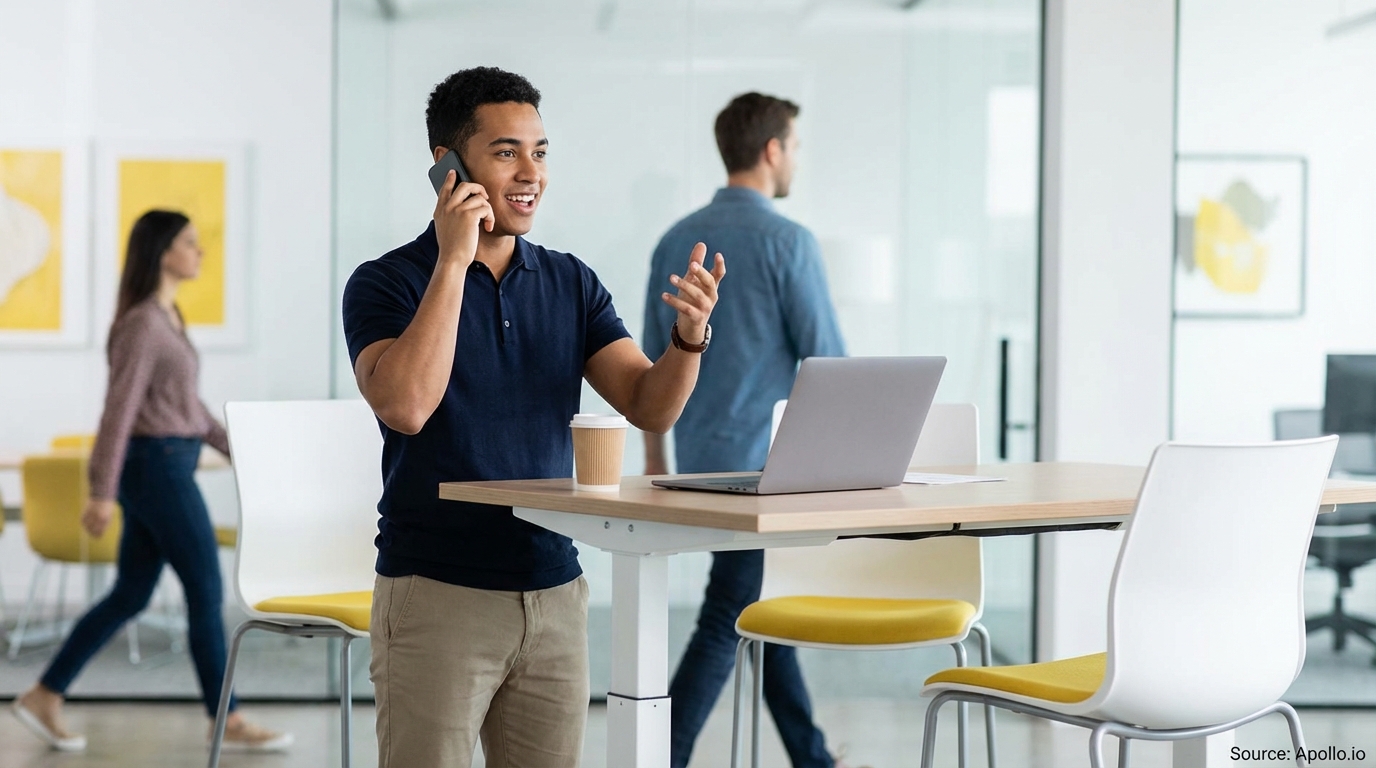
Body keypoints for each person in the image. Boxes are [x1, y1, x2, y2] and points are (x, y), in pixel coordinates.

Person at [342, 66, 725, 767]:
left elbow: (649, 405)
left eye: (540, 152)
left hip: (555, 593)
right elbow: (405, 404)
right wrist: (454, 262)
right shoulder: (386, 282)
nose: (530, 172)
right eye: (506, 151)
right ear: (447, 167)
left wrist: (689, 339)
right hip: (436, 595)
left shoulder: (570, 281)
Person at [11, 210, 291, 753]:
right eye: (190, 242)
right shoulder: (143, 323)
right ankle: (226, 718)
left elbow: (188, 410)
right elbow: (119, 412)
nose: (200, 251)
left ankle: (45, 694)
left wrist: (246, 449)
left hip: (168, 461)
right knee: (206, 590)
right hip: (155, 467)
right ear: (164, 252)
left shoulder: (167, 317)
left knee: (131, 593)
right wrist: (99, 491)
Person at [643, 92, 847, 768]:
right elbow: (830, 366)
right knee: (732, 610)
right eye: (795, 146)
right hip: (766, 474)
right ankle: (659, 753)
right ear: (771, 150)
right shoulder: (789, 242)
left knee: (761, 604)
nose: (797, 160)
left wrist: (655, 464)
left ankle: (810, 755)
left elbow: (649, 370)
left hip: (695, 464)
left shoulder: (675, 239)